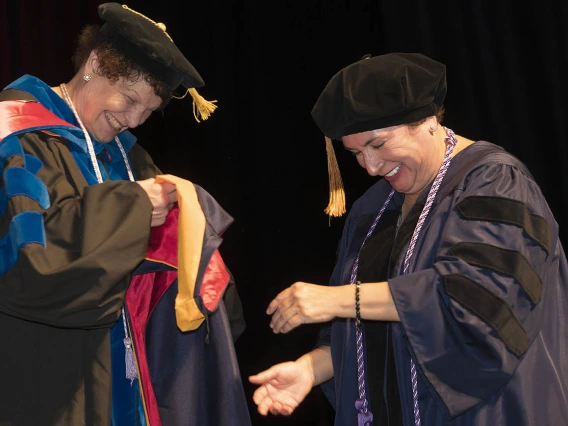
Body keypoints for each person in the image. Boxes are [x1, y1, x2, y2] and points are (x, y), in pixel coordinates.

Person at [249, 52, 568, 425]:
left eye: (379, 145)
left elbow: (478, 301)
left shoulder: (493, 183)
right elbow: (378, 334)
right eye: (355, 153)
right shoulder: (374, 207)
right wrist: (311, 369)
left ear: (429, 120)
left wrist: (340, 298)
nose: (370, 167)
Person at [0, 3, 249, 426]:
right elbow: (33, 261)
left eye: (148, 112)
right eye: (129, 99)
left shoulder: (128, 156)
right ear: (94, 64)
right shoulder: (17, 132)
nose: (132, 120)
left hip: (124, 385)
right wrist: (133, 208)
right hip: (43, 383)